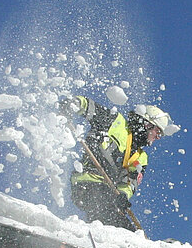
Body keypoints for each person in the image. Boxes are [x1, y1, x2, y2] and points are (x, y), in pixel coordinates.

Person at [58, 95, 175, 231]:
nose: (157, 137)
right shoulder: (116, 122)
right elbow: (91, 108)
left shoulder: (141, 158)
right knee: (106, 213)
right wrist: (73, 103)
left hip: (108, 193)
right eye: (157, 132)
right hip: (86, 182)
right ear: (147, 124)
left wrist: (123, 196)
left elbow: (130, 183)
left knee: (125, 228)